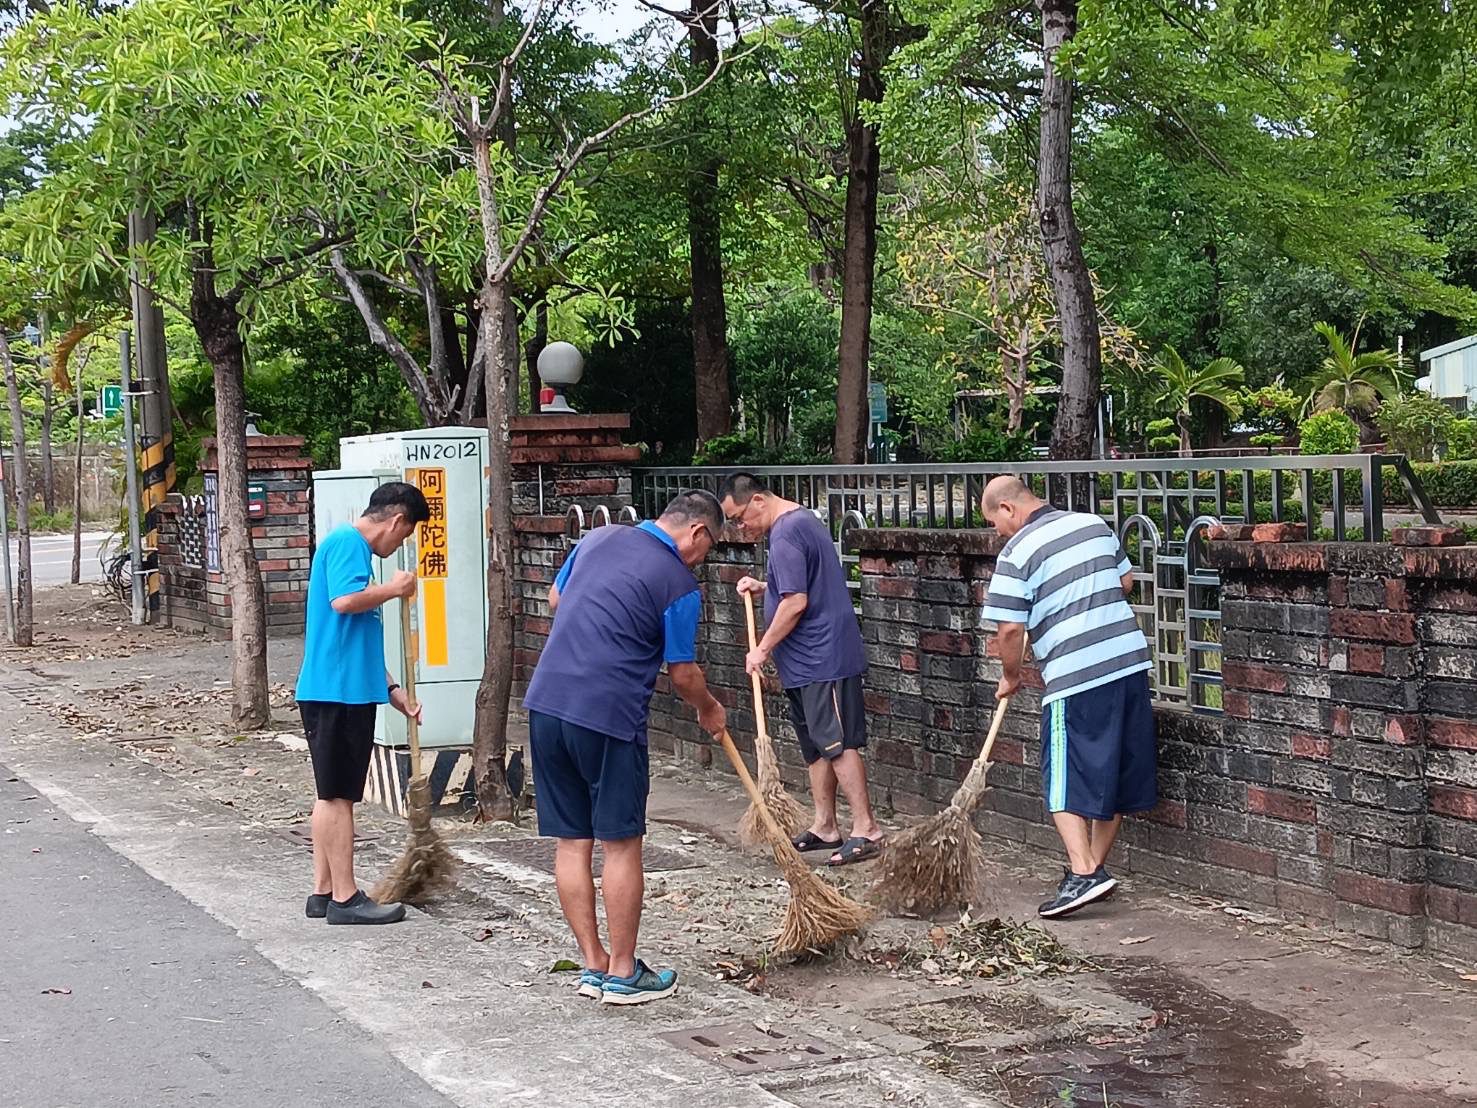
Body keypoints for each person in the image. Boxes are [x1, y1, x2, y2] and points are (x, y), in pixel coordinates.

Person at [524, 491, 727, 1006]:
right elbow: (683, 673)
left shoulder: (597, 538)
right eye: (708, 548)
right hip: (608, 714)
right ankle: (622, 971)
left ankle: (592, 964)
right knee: (620, 843)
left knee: (572, 841)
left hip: (546, 703)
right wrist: (708, 708)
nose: (702, 560)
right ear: (697, 532)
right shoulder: (678, 584)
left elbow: (555, 599)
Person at [978, 475, 1156, 919]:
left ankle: (1083, 871)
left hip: (1075, 675)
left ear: (1008, 508)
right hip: (1129, 663)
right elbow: (1126, 582)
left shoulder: (1017, 552)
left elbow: (1010, 630)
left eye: (995, 523)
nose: (998, 533)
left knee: (1060, 775)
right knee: (1113, 773)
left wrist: (1011, 676)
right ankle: (1093, 872)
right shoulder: (1093, 523)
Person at [717, 472, 883, 867]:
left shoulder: (786, 532)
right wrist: (766, 587)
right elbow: (799, 585)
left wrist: (761, 649)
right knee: (815, 746)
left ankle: (867, 829)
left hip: (823, 658)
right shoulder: (798, 522)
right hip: (805, 662)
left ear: (758, 500)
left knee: (837, 742)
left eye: (739, 518)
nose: (741, 528)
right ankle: (825, 825)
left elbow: (796, 602)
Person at [296, 481, 430, 925]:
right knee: (339, 797)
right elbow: (345, 602)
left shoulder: (350, 548)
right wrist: (394, 589)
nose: (400, 544)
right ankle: (346, 898)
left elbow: (357, 640)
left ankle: (323, 891)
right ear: (396, 521)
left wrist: (393, 691)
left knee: (330, 794)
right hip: (337, 692)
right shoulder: (349, 544)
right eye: (406, 534)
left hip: (342, 687)